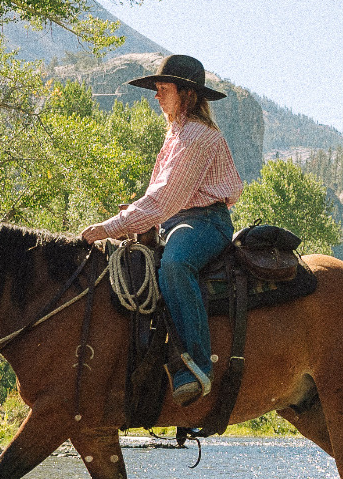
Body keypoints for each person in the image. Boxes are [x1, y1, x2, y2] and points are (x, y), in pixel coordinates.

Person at [77, 54, 245, 404]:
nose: (156, 96)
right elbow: (158, 197)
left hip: (205, 222)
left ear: (187, 94)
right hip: (177, 219)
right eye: (156, 89)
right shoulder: (176, 133)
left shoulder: (197, 136)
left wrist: (112, 226)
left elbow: (165, 200)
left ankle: (196, 366)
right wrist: (131, 217)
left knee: (175, 265)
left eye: (163, 88)